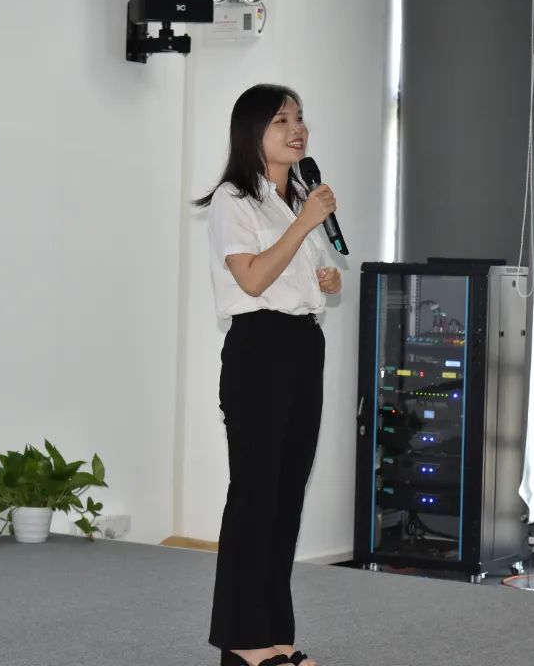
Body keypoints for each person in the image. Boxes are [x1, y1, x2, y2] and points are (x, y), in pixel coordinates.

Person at [195, 84, 342, 666]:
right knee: (255, 497)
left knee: (285, 500)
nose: (296, 129)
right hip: (259, 349)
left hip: (304, 344)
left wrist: (327, 280)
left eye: (299, 118)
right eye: (281, 120)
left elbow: (302, 273)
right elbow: (253, 279)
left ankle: (276, 636)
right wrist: (304, 224)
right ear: (252, 131)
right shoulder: (233, 199)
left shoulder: (298, 195)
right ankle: (242, 640)